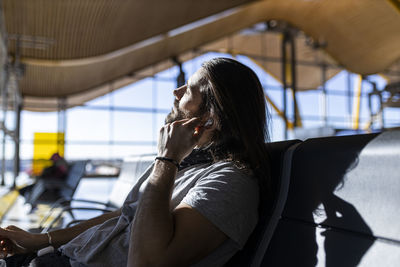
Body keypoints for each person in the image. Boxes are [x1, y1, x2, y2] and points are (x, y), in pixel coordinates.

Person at [0, 57, 271, 267]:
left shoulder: (230, 183)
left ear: (210, 118)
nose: (176, 92)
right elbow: (126, 216)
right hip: (55, 257)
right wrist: (37, 241)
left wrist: (167, 157)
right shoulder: (190, 165)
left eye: (189, 89)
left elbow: (146, 262)